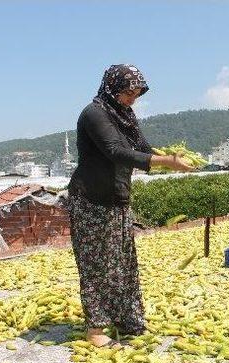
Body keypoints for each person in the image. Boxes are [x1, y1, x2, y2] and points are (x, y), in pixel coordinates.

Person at [67, 64, 193, 347]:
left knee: (123, 262)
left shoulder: (124, 116)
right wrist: (165, 162)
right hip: (91, 201)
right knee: (97, 264)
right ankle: (96, 331)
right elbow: (116, 152)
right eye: (127, 93)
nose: (131, 99)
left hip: (117, 199)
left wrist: (173, 159)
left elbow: (142, 149)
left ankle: (128, 321)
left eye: (136, 94)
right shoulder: (94, 113)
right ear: (112, 88)